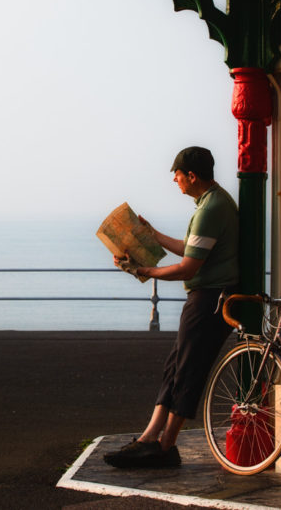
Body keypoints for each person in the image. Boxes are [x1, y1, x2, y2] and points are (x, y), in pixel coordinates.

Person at [104, 146, 239, 468]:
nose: (175, 181)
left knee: (189, 369)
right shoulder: (211, 203)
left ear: (191, 175)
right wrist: (153, 235)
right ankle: (150, 437)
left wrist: (141, 271)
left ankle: (164, 446)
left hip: (209, 297)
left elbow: (187, 268)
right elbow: (190, 249)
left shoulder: (210, 210)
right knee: (176, 365)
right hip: (208, 295)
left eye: (177, 175)